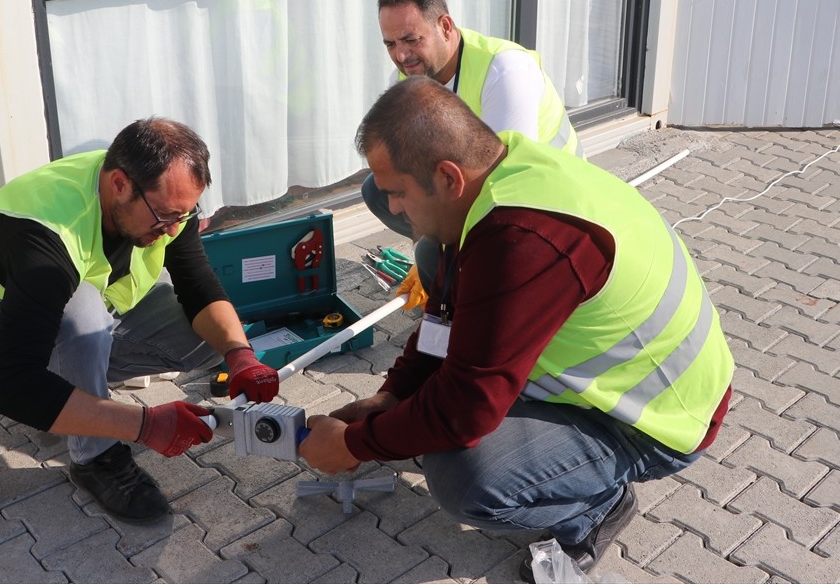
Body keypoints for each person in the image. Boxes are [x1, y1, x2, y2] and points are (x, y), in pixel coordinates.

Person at [300, 79, 734, 583]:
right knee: (419, 418)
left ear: (447, 177)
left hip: (658, 419)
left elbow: (464, 410)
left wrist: (354, 445)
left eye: (397, 193)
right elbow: (447, 322)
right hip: (610, 381)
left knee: (466, 479)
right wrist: (391, 395)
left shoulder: (522, 241)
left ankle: (596, 507)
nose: (391, 209)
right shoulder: (497, 177)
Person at [0, 118, 279, 522]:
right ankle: (94, 458)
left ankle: (74, 393)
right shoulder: (44, 239)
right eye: (165, 216)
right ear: (119, 184)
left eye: (182, 216)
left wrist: (240, 355)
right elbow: (13, 388)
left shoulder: (162, 201)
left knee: (208, 338)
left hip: (83, 313)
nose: (172, 229)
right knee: (79, 315)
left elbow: (197, 284)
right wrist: (144, 424)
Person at [363, 0, 579, 241]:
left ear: (444, 26)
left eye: (411, 39)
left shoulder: (505, 70)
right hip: (477, 185)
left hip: (553, 198)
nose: (401, 56)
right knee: (381, 190)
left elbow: (504, 180)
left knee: (441, 256)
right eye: (391, 44)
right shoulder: (407, 76)